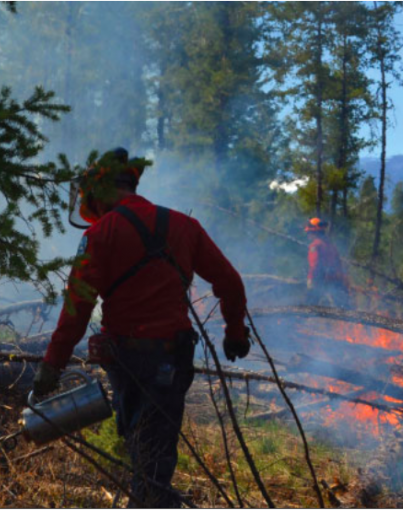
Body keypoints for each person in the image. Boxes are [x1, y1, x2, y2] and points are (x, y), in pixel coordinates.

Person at [32, 147, 250, 507]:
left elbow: (77, 307)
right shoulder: (183, 226)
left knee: (148, 462)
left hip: (128, 362)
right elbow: (230, 281)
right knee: (152, 455)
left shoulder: (101, 234)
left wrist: (52, 365)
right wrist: (235, 333)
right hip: (171, 359)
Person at [304, 217, 349, 307]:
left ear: (314, 232)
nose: (308, 235)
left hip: (320, 278)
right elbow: (338, 263)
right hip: (334, 279)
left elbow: (314, 264)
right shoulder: (331, 245)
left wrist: (311, 279)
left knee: (310, 304)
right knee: (340, 305)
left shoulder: (315, 245)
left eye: (309, 232)